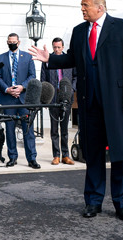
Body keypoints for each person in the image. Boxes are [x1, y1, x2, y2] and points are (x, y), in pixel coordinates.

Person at [30, 0, 123, 222]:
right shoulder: (79, 31)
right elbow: (72, 58)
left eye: (85, 5)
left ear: (100, 7)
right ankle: (93, 201)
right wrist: (50, 58)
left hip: (118, 103)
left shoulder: (122, 27)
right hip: (89, 103)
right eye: (81, 5)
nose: (82, 9)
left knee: (121, 153)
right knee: (93, 153)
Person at [0, 33, 40, 169]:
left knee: (28, 129)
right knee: (9, 130)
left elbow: (32, 75)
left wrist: (22, 87)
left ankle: (32, 159)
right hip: (8, 99)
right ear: (7, 42)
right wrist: (7, 89)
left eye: (14, 42)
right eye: (10, 42)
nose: (12, 44)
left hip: (24, 99)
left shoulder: (27, 57)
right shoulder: (0, 58)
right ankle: (12, 157)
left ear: (18, 42)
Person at [41, 37, 76, 165]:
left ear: (63, 47)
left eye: (59, 47)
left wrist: (71, 90)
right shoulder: (47, 60)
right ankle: (56, 155)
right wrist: (45, 98)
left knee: (65, 129)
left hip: (66, 98)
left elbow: (75, 77)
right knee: (54, 129)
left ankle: (65, 155)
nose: (56, 49)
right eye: (54, 47)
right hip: (53, 99)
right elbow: (43, 80)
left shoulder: (69, 60)